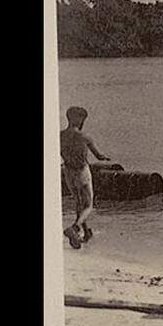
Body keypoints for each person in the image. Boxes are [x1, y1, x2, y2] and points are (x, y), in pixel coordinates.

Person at [60, 106, 110, 248]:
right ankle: (75, 227)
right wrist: (105, 158)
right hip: (82, 171)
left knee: (78, 202)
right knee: (88, 205)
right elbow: (98, 156)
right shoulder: (85, 137)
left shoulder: (60, 135)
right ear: (80, 119)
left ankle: (86, 232)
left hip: (68, 172)